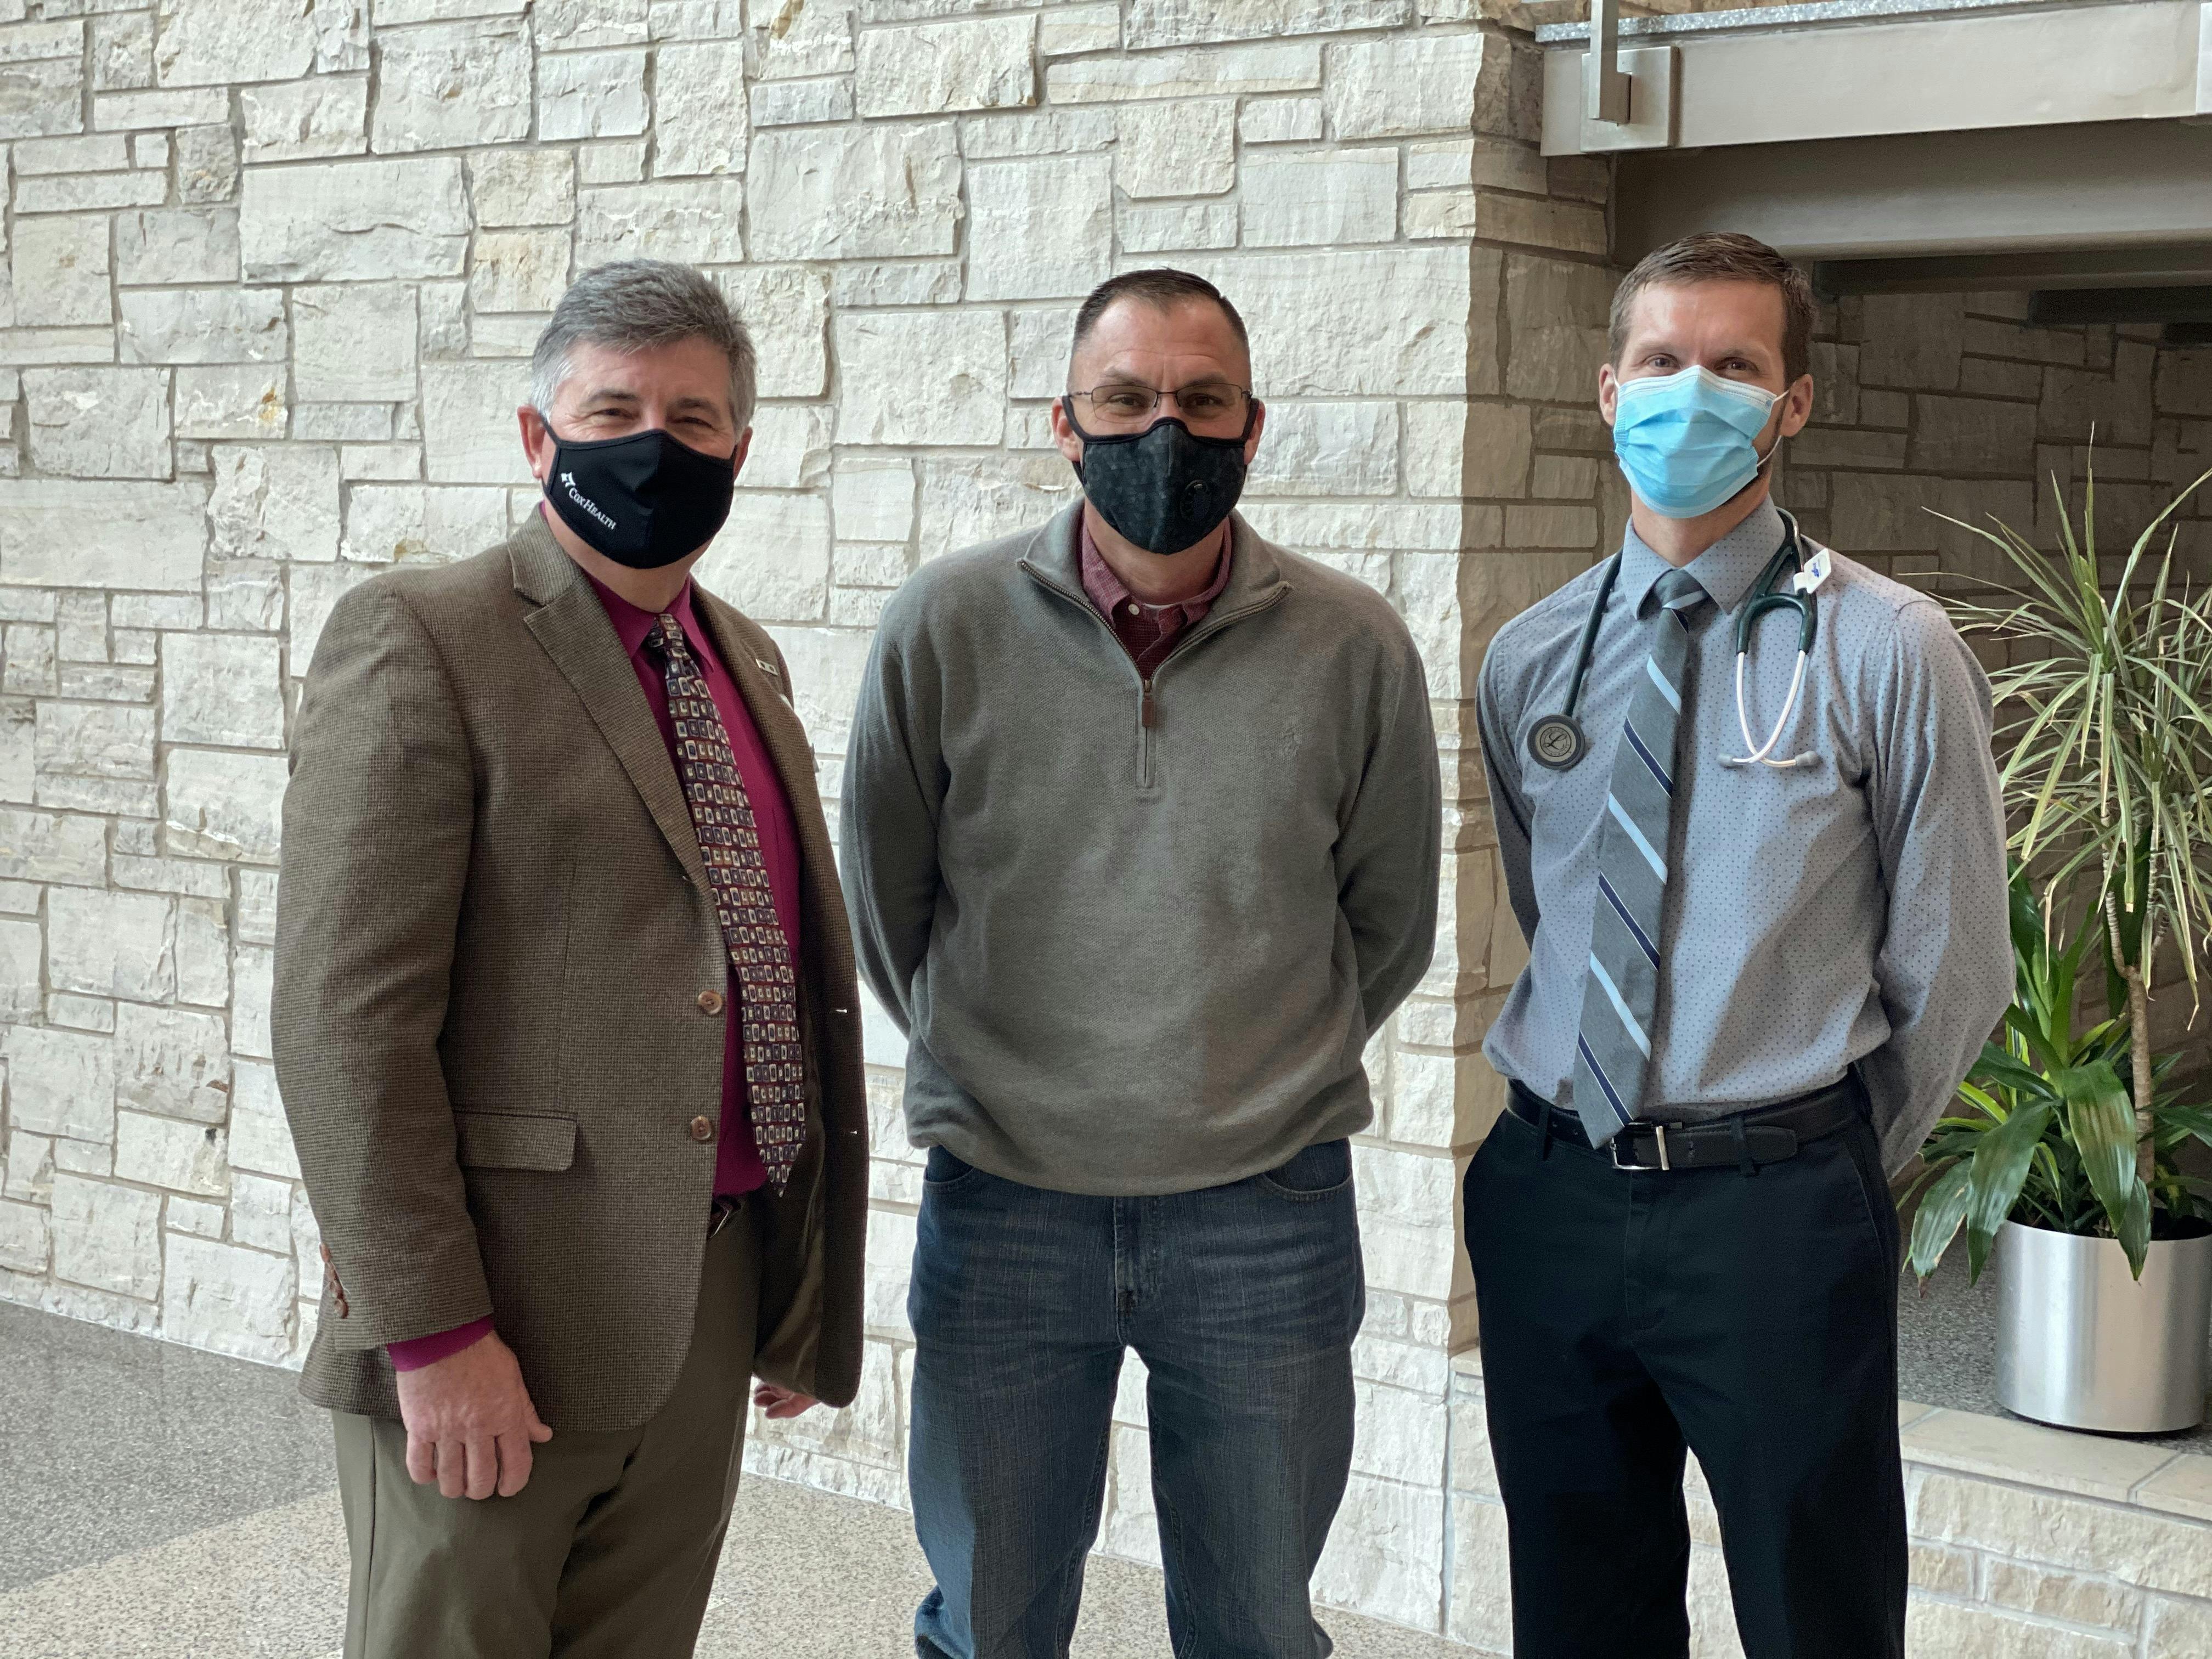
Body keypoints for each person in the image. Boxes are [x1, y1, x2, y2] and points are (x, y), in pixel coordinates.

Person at [840, 267, 1443, 1659]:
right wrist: (1001, 1066)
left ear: (1253, 424)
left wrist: (1246, 1060)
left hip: (1265, 1207)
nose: (1161, 429)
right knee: (989, 1618)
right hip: (1005, 1204)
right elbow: (891, 905)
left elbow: (1390, 920)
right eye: (1125, 400)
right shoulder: (943, 626)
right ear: (1065, 422)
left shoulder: (1354, 645)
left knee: (1256, 1625)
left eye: (1199, 400)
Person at [273, 259, 870, 1659]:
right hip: (501, 1317)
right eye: (613, 409)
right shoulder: (424, 637)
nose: (655, 442)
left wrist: (789, 1284)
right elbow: (342, 1024)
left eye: (695, 416)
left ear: (741, 450)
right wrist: (431, 1337)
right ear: (539, 439)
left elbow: (764, 975)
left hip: (707, 1298)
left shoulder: (748, 660)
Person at [1465, 230, 2012, 1659]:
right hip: (1552, 1192)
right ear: (1606, 389)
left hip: (1775, 1208)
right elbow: (1558, 912)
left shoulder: (1890, 648)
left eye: (1734, 367)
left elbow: (1955, 960)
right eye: (1660, 362)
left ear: (1794, 404)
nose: (1689, 393)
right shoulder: (1530, 658)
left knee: (1814, 1613)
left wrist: (1816, 1149)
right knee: (1581, 1614)